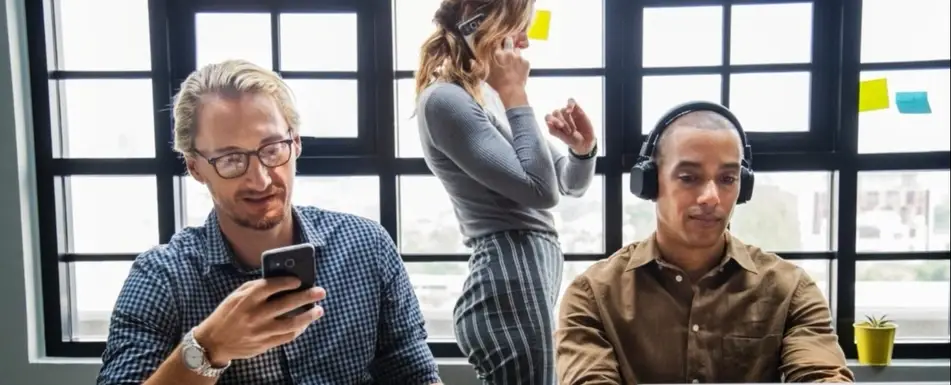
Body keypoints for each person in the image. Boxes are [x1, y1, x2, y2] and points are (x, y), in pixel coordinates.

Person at [96, 59, 442, 385]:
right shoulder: (161, 278)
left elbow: (413, 372)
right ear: (195, 167)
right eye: (231, 159)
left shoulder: (365, 246)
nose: (260, 180)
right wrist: (207, 348)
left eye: (273, 148)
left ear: (296, 142)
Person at [555, 101, 854, 384]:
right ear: (649, 182)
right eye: (688, 177)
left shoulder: (790, 291)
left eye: (727, 179)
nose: (711, 197)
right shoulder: (592, 296)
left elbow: (822, 375)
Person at [414, 0, 598, 383]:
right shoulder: (446, 100)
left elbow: (567, 184)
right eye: (520, 29)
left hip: (523, 278)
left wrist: (583, 149)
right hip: (509, 279)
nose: (526, 44)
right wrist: (517, 95)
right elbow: (541, 192)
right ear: (481, 24)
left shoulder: (487, 97)